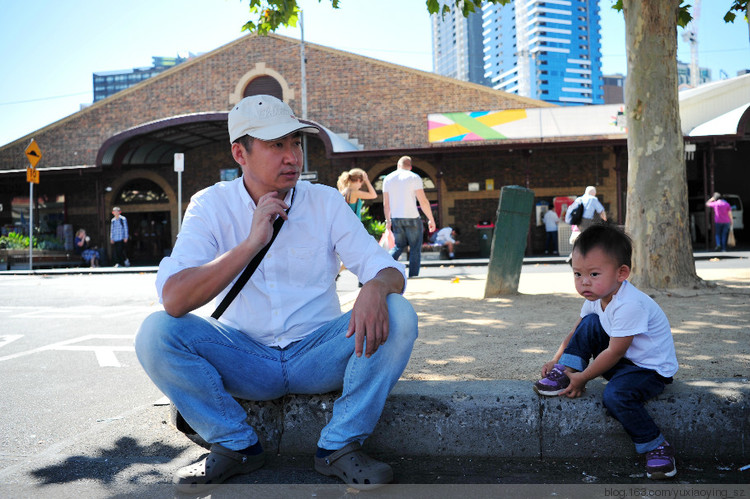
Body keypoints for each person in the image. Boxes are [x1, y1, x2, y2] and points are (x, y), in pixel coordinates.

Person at [134, 94, 418, 493]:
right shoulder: (210, 205)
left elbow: (387, 269)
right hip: (245, 355)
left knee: (399, 312)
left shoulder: (324, 201)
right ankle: (235, 444)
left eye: (295, 143)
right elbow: (175, 299)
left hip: (317, 353)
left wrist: (375, 286)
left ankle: (339, 445)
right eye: (276, 145)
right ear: (240, 153)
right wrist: (250, 243)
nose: (292, 157)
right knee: (156, 332)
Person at [533, 224, 678, 480]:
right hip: (624, 361)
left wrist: (585, 378)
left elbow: (613, 352)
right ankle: (565, 372)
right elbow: (576, 333)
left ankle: (656, 445)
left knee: (615, 396)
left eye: (594, 274)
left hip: (649, 370)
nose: (584, 282)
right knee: (589, 324)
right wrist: (556, 360)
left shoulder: (629, 304)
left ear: (622, 273)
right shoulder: (596, 297)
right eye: (578, 274)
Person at [382, 156, 436, 277]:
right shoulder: (414, 177)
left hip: (396, 218)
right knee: (415, 249)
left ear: (398, 165)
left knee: (398, 246)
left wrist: (388, 220)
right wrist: (431, 219)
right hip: (412, 217)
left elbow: (386, 203)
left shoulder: (388, 179)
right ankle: (413, 276)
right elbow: (423, 201)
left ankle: (381, 266)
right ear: (410, 167)